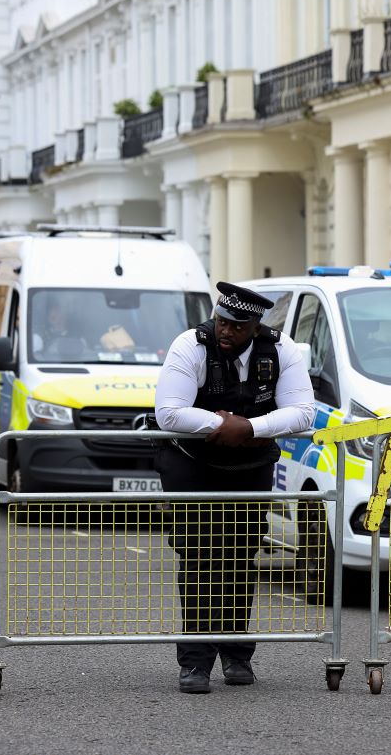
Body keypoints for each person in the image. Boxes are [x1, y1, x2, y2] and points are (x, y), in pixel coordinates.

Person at [154, 282, 315, 694]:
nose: (226, 331)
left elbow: (302, 413)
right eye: (222, 321)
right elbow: (169, 413)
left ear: (256, 327)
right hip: (192, 465)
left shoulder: (281, 350)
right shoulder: (190, 344)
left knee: (240, 555)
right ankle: (195, 662)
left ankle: (237, 654)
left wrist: (249, 427)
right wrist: (219, 425)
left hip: (250, 466)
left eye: (237, 326)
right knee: (199, 555)